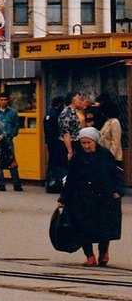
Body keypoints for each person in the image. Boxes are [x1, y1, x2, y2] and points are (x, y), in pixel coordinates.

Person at [58, 126, 122, 266]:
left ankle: (103, 252)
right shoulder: (77, 157)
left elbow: (115, 174)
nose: (86, 146)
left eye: (89, 143)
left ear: (95, 141)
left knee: (103, 228)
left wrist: (117, 190)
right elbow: (70, 179)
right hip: (81, 198)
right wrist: (63, 199)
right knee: (82, 228)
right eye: (83, 143)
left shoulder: (105, 155)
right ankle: (90, 256)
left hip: (103, 197)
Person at [0, 91, 23, 192]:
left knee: (12, 161)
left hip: (8, 140)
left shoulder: (13, 112)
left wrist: (12, 134)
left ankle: (17, 184)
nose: (3, 102)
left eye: (5, 100)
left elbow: (16, 125)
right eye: (1, 100)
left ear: (8, 100)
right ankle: (1, 184)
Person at [44, 95, 68, 192]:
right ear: (60, 104)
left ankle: (49, 183)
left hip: (50, 143)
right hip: (58, 143)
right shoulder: (59, 114)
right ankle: (56, 184)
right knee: (59, 164)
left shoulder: (48, 114)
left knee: (51, 163)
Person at [59, 92, 88, 162]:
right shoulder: (66, 113)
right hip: (71, 144)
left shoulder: (77, 112)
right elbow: (66, 133)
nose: (81, 102)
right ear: (73, 100)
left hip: (78, 143)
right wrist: (70, 151)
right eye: (79, 100)